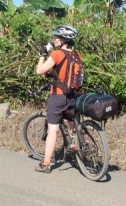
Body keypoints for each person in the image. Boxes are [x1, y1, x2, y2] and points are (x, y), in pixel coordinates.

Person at [34, 25, 81, 173]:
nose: (54, 39)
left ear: (62, 40)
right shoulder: (77, 55)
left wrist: (42, 54)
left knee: (53, 129)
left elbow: (39, 70)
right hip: (74, 96)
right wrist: (51, 76)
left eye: (56, 37)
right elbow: (65, 74)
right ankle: (82, 156)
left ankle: (46, 164)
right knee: (74, 125)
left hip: (58, 96)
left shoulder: (56, 54)